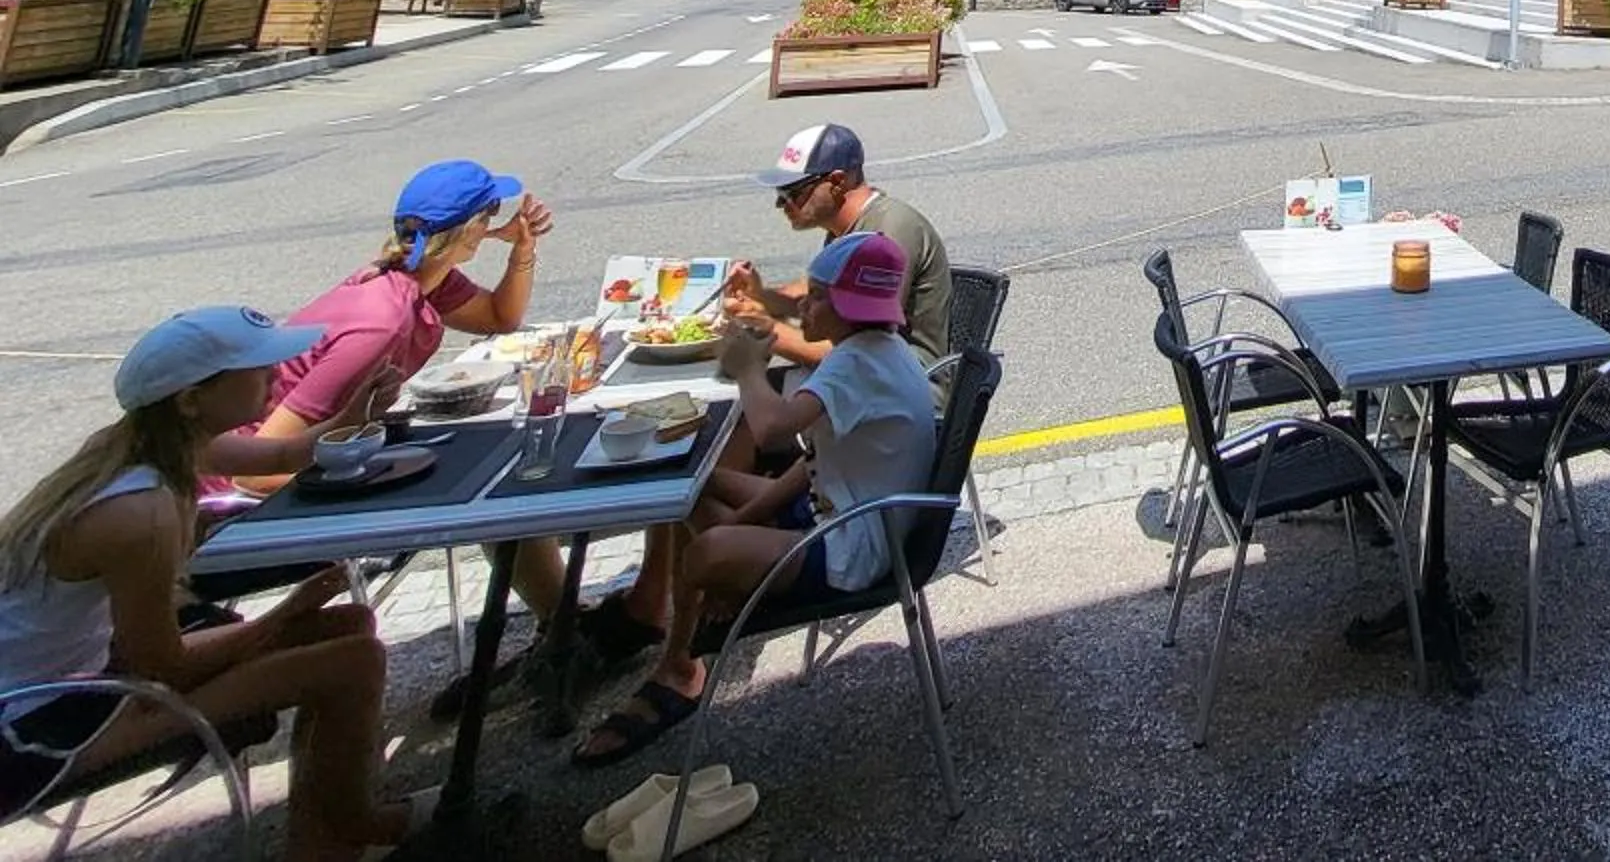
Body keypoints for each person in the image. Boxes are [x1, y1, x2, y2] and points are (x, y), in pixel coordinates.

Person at [0, 307, 434, 858]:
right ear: (190, 400)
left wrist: (356, 411)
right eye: (256, 369)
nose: (275, 376)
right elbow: (162, 667)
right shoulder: (141, 513)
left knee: (350, 626)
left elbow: (284, 452)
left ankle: (332, 832)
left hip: (73, 682)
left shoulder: (145, 445)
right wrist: (281, 619)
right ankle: (343, 833)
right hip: (29, 729)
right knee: (353, 661)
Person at [211, 160, 568, 711]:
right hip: (234, 516)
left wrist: (522, 249)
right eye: (490, 213)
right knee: (486, 485)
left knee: (488, 474)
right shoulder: (378, 320)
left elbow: (500, 316)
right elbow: (254, 469)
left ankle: (565, 627)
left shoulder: (420, 277)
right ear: (470, 229)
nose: (496, 220)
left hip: (313, 461)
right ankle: (567, 634)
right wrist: (381, 473)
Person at [571, 233, 939, 767]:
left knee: (703, 553)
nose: (803, 307)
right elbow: (807, 462)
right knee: (695, 490)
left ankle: (683, 662)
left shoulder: (853, 366)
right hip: (840, 506)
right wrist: (744, 523)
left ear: (846, 309)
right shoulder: (877, 352)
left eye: (815, 297)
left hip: (851, 545)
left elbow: (770, 431)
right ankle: (733, 583)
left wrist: (746, 368)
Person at [721, 125, 952, 369]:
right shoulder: (844, 230)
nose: (781, 204)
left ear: (837, 182)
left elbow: (848, 350)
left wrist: (763, 327)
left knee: (753, 392)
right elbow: (817, 299)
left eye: (793, 192)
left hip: (905, 391)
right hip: (864, 381)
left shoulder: (884, 236)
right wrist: (758, 296)